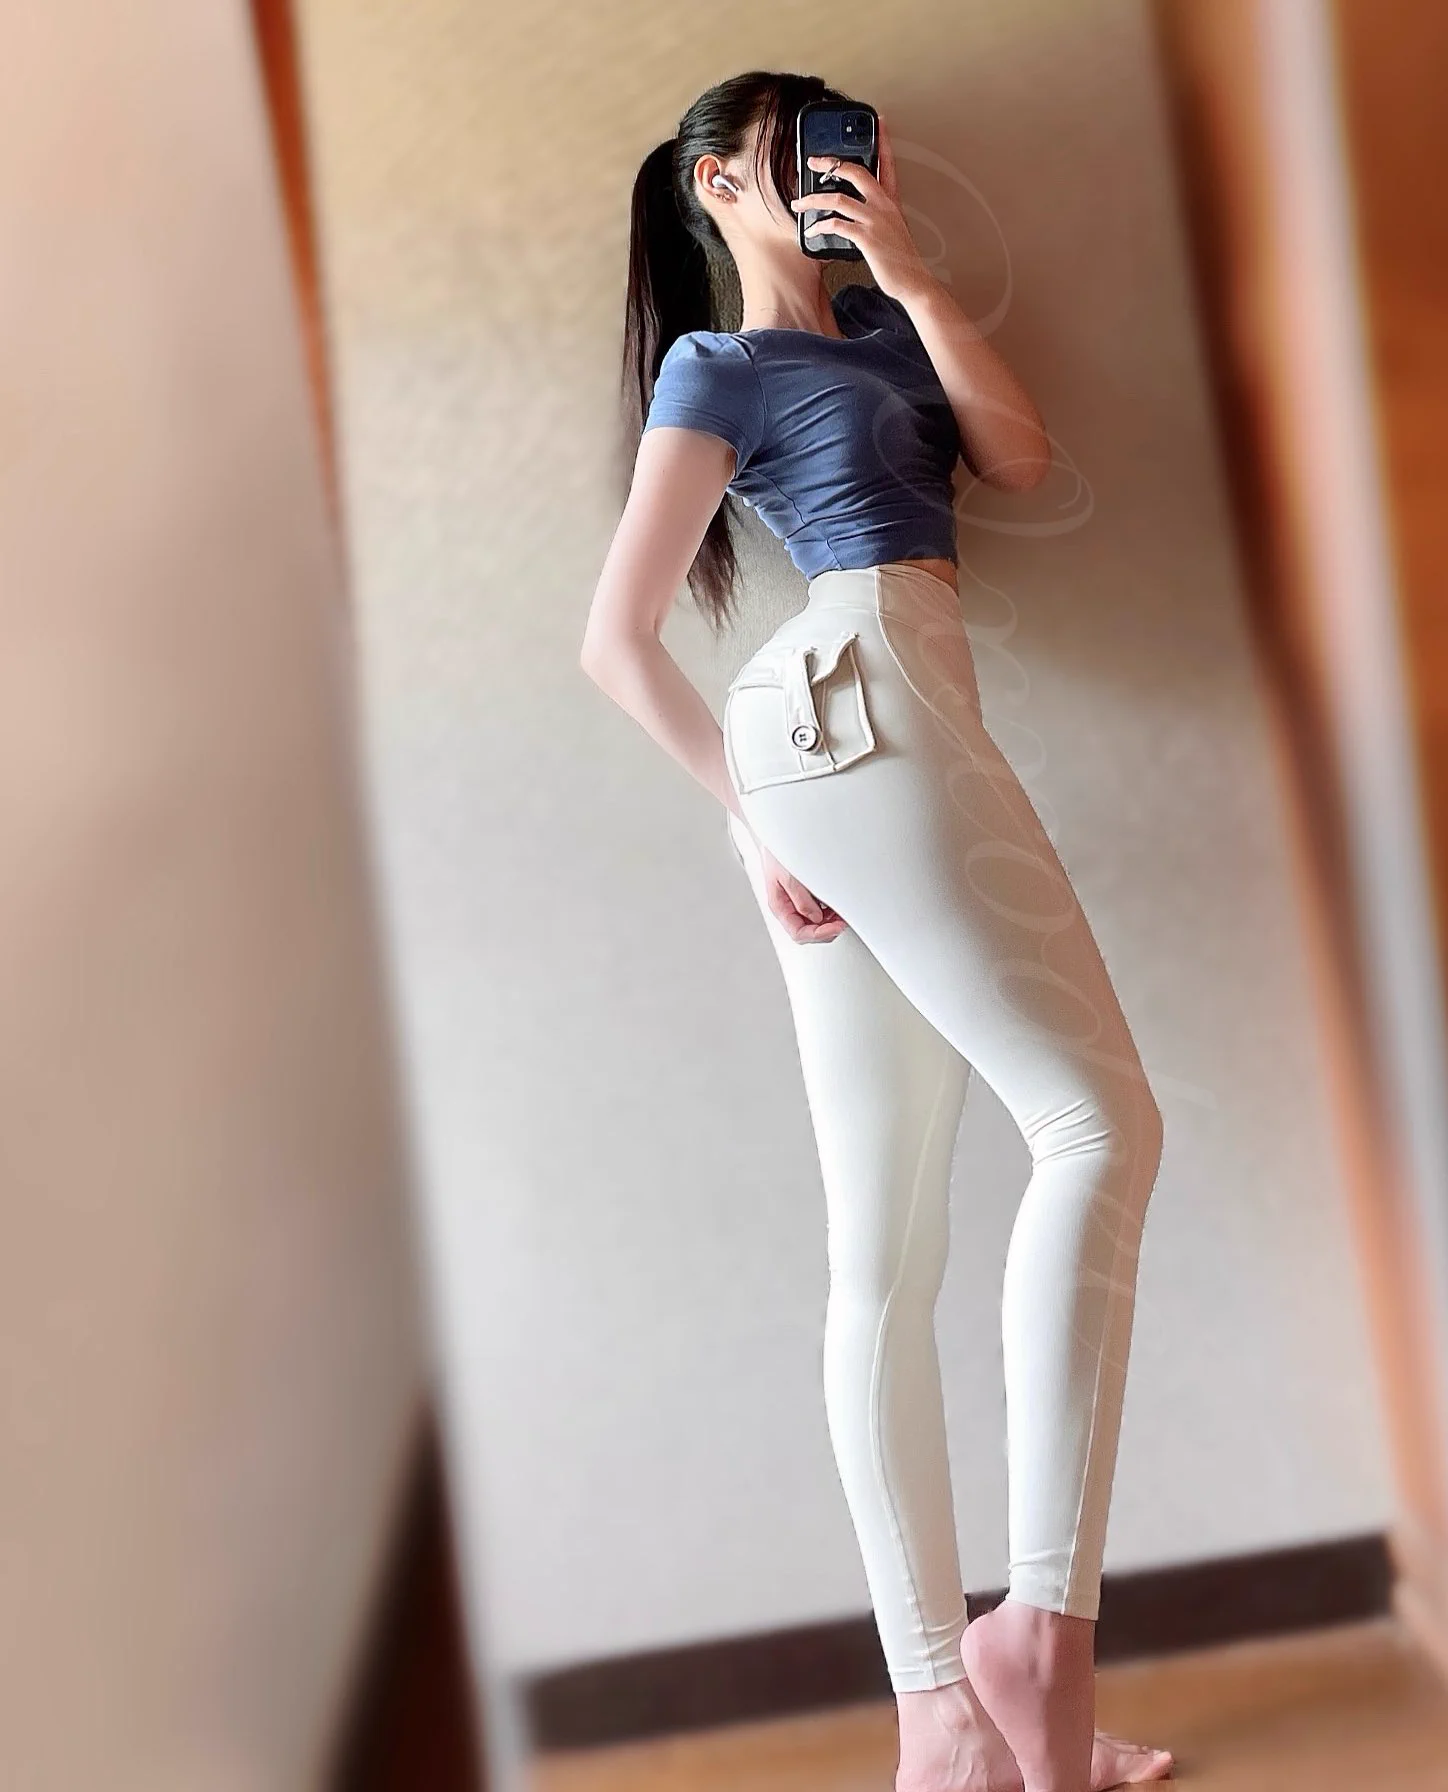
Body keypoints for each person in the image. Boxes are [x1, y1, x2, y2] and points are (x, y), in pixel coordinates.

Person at [581, 69, 1172, 1792]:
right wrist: (747, 819)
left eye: (859, 153)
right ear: (716, 184)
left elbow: (1022, 458)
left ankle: (945, 1723)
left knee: (888, 1247)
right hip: (852, 713)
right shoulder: (717, 365)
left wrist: (908, 270)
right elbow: (617, 638)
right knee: (1098, 1128)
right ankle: (1029, 1641)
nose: (842, 175)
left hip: (881, 719)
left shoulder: (895, 335)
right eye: (800, 157)